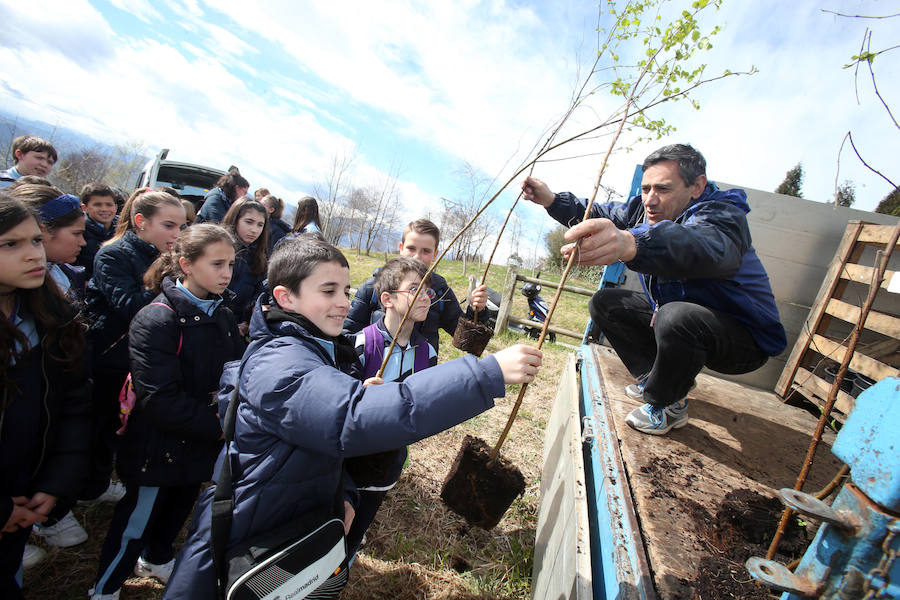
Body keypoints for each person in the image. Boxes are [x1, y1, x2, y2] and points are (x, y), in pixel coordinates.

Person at [162, 235, 542, 599]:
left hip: (290, 523)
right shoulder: (281, 364)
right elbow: (352, 418)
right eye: (328, 291)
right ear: (285, 296)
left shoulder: (320, 349)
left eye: (345, 291)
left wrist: (341, 492)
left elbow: (316, 444)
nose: (343, 303)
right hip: (250, 533)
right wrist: (485, 374)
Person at [522, 143, 787, 436]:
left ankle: (667, 404)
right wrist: (551, 200)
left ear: (697, 186)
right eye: (646, 188)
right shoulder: (642, 210)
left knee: (675, 317)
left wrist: (633, 242)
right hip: (685, 323)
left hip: (744, 341)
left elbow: (701, 246)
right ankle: (656, 379)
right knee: (606, 303)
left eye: (662, 189)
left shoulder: (722, 217)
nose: (650, 200)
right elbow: (600, 212)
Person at [89, 224, 244, 600]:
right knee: (136, 522)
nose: (226, 273)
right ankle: (106, 587)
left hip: (200, 441)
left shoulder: (222, 314)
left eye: (231, 264)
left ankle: (156, 557)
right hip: (158, 447)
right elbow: (159, 399)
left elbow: (234, 369)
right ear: (186, 264)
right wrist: (221, 425)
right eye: (217, 264)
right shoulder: (158, 319)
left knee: (178, 509)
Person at [0, 194, 92, 599]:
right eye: (11, 244)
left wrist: (56, 482)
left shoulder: (51, 318)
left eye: (36, 240)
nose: (33, 254)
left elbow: (73, 406)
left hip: (27, 493)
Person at [83, 190, 186, 507]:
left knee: (118, 424)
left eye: (181, 227)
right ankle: (75, 495)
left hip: (136, 358)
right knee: (98, 424)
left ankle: (98, 481)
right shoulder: (113, 255)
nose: (177, 234)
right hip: (108, 356)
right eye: (168, 225)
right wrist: (168, 277)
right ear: (141, 221)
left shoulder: (161, 256)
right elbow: (130, 306)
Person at [345, 257, 437, 559]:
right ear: (387, 299)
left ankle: (348, 558)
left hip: (388, 463)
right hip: (348, 463)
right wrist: (362, 395)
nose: (425, 297)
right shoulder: (361, 345)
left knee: (361, 522)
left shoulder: (427, 354)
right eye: (415, 290)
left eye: (428, 291)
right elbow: (340, 406)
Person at [343, 218, 489, 353]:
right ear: (401, 248)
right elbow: (346, 337)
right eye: (411, 248)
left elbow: (467, 342)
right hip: (376, 369)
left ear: (435, 255)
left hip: (422, 370)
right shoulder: (374, 287)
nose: (417, 256)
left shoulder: (440, 292)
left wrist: (477, 311)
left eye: (426, 251)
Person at [11, 183, 87, 301]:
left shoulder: (68, 275)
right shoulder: (14, 293)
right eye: (76, 233)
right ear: (42, 231)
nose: (83, 242)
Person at [221, 199, 268, 335]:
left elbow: (256, 296)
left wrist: (246, 322)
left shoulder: (258, 258)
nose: (254, 230)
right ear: (235, 219)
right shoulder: (217, 248)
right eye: (249, 222)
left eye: (260, 225)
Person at [76, 183, 118, 279]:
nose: (104, 209)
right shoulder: (80, 231)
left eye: (109, 205)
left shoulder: (123, 230)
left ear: (115, 207)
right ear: (84, 208)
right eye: (97, 205)